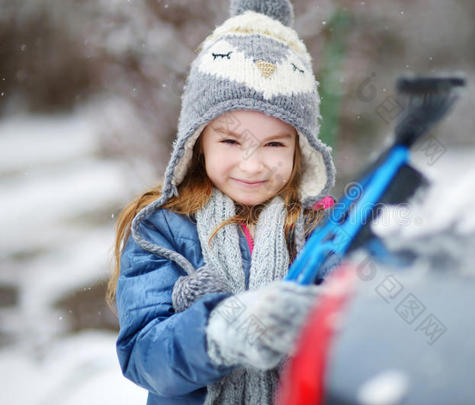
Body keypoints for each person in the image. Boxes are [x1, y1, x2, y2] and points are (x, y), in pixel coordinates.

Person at [105, 0, 338, 404]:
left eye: (274, 143)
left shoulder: (319, 227)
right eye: (231, 140)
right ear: (198, 143)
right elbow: (145, 355)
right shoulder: (163, 230)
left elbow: (357, 320)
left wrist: (320, 317)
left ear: (300, 149)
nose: (252, 164)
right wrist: (218, 334)